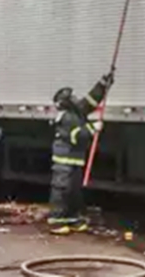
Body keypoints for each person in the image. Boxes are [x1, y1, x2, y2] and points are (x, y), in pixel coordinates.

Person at [47, 71, 115, 235]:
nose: (76, 99)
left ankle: (72, 219)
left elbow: (90, 101)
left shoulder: (76, 112)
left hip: (75, 160)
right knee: (62, 189)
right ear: (65, 102)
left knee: (74, 191)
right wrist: (93, 128)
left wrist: (103, 84)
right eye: (72, 97)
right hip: (64, 161)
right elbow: (76, 136)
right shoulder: (66, 118)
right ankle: (56, 220)